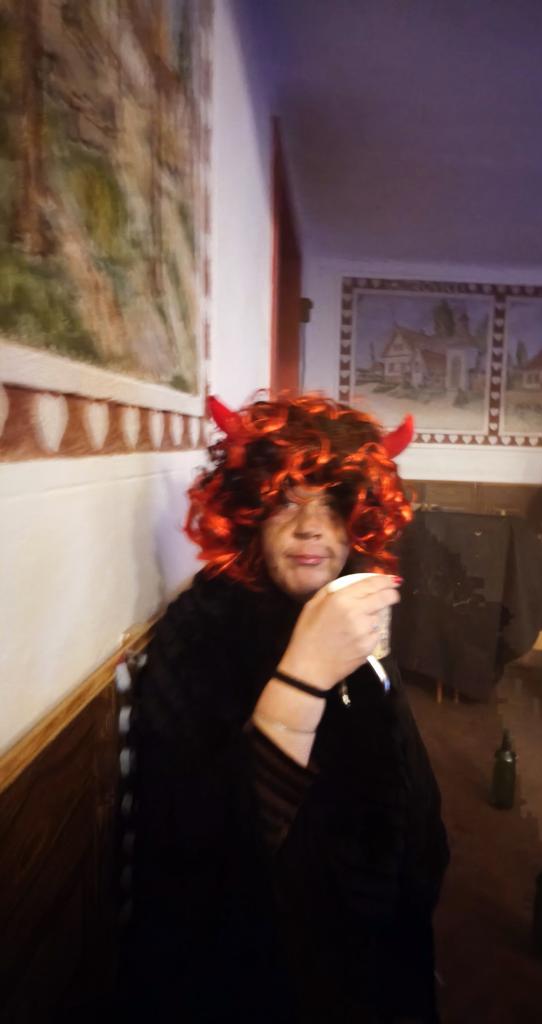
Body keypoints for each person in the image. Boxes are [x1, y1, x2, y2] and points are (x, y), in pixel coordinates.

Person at [122, 393, 449, 1023]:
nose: (311, 528)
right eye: (286, 502)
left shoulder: (356, 605)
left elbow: (405, 786)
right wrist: (304, 673)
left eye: (333, 504)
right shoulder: (202, 630)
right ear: (250, 512)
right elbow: (202, 852)